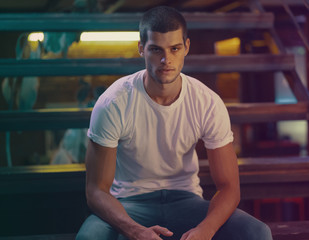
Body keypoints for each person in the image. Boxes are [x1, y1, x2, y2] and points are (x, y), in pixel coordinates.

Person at [76, 6, 272, 240]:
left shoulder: (206, 102)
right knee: (89, 237)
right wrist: (134, 230)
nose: (165, 59)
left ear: (186, 47)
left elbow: (229, 187)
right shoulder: (114, 102)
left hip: (186, 199)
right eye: (155, 49)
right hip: (129, 204)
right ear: (141, 49)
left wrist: (206, 229)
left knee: (258, 232)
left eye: (175, 48)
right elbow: (96, 191)